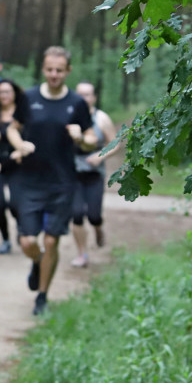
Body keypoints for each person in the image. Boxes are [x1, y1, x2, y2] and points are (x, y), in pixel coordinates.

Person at [14, 46, 96, 315]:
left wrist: (80, 138)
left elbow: (91, 139)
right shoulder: (28, 97)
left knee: (51, 241)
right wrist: (20, 143)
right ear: (43, 69)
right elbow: (13, 129)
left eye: (59, 70)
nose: (54, 74)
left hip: (62, 181)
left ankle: (42, 297)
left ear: (68, 71)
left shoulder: (77, 103)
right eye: (49, 69)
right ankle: (37, 262)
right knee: (28, 241)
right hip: (29, 180)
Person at [69, 81, 120, 268]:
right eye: (80, 94)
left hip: (94, 174)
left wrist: (99, 156)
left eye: (88, 94)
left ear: (94, 97)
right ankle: (82, 254)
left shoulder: (101, 119)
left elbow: (115, 143)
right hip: (73, 173)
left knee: (93, 215)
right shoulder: (70, 117)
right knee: (76, 214)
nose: (84, 98)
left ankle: (98, 228)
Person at [0, 79, 33, 255]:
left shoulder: (23, 114)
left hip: (17, 164)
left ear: (14, 94)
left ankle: (21, 229)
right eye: (1, 92)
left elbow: (31, 137)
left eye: (8, 92)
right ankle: (5, 239)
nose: (4, 95)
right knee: (0, 204)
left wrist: (20, 151)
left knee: (15, 203)